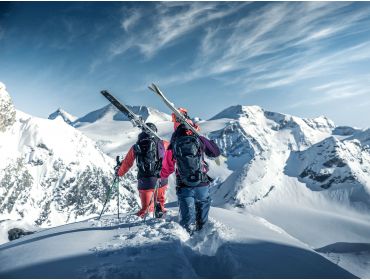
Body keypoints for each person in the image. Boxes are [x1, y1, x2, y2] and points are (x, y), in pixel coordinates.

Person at [161, 108, 221, 234]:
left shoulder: (174, 142)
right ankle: (202, 234)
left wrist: (162, 176)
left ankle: (186, 242)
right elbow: (215, 153)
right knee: (203, 209)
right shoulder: (198, 138)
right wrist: (206, 141)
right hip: (202, 183)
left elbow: (168, 166)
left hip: (184, 184)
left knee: (186, 219)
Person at [116, 122, 169, 218]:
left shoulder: (136, 146)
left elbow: (127, 163)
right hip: (162, 180)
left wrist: (119, 173)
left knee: (146, 209)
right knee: (160, 205)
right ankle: (162, 219)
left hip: (145, 182)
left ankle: (144, 226)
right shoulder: (163, 144)